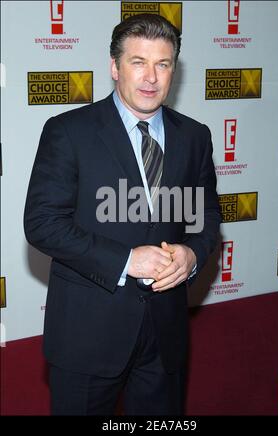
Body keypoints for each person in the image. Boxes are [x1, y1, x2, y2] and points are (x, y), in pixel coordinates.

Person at [24, 13, 221, 416]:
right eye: (138, 62)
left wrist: (192, 255)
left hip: (165, 337)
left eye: (162, 64)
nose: (151, 77)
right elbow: (42, 223)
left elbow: (206, 215)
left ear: (174, 71)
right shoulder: (68, 131)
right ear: (115, 67)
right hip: (86, 335)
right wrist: (126, 260)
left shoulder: (195, 136)